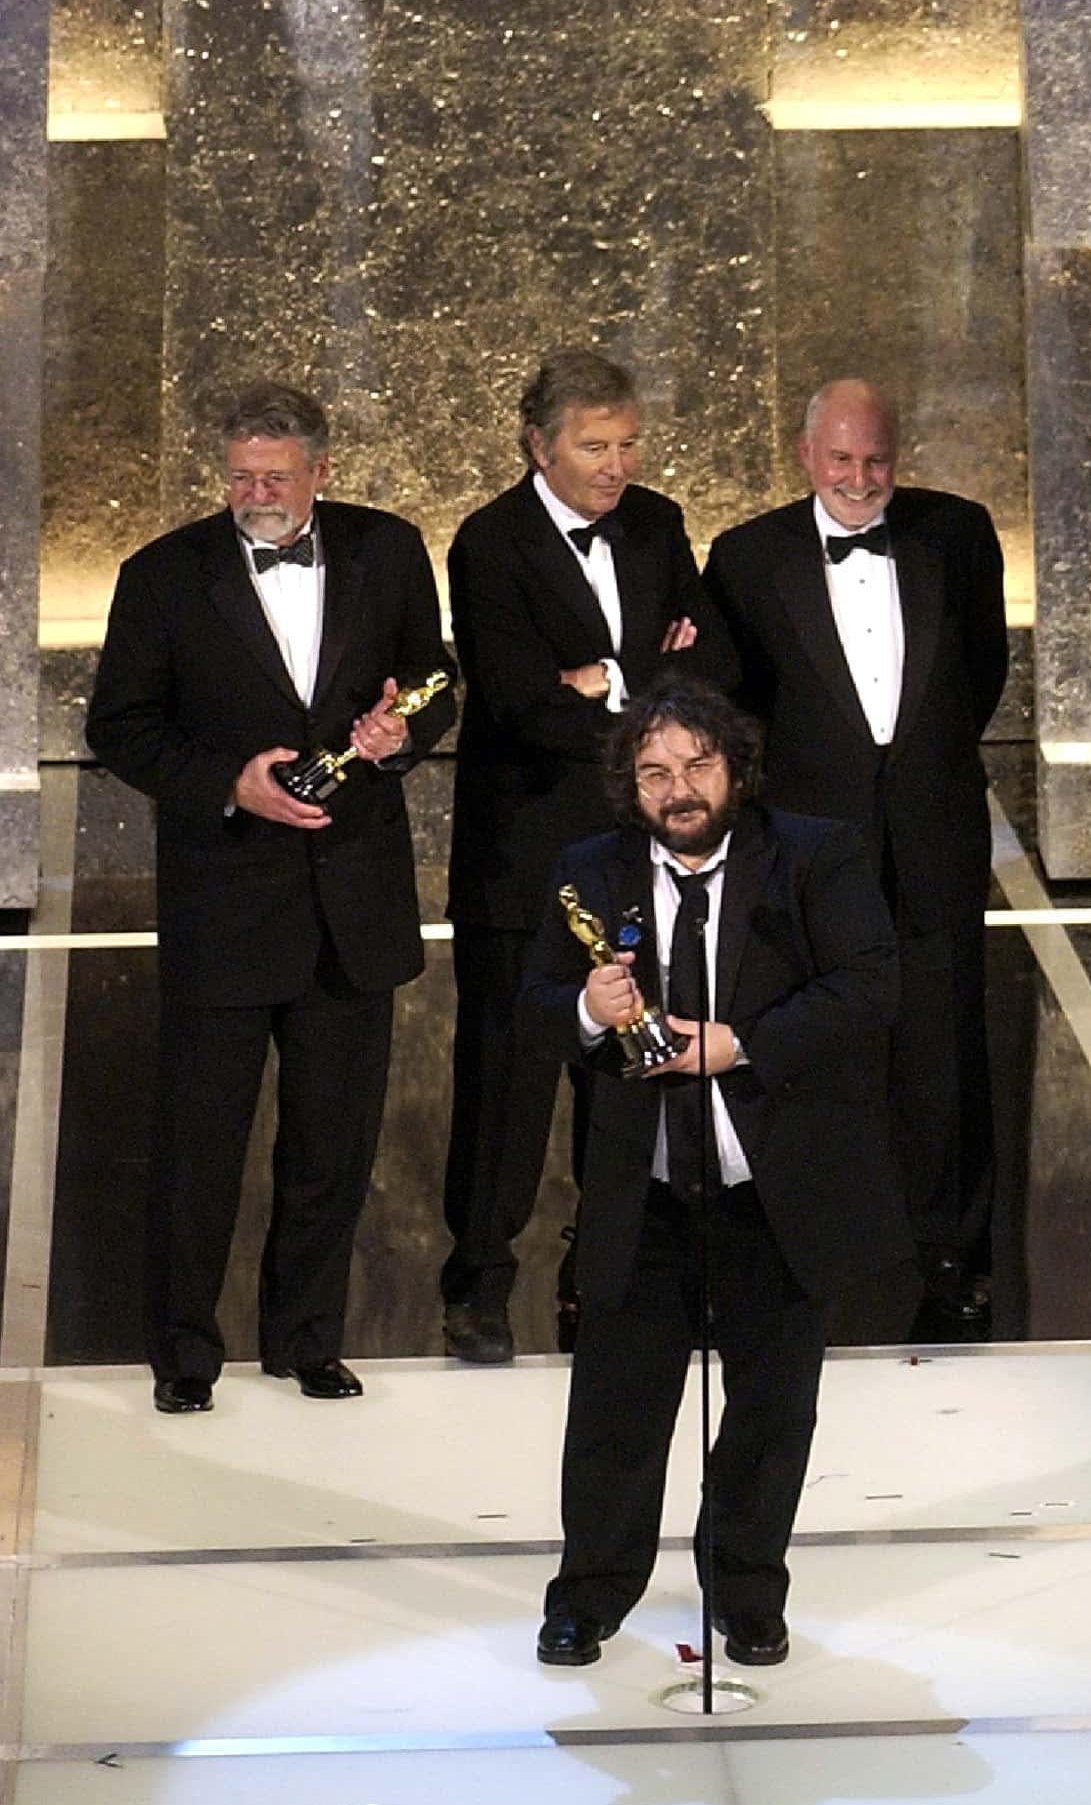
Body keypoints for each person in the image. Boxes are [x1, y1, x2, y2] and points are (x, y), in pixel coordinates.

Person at [85, 383, 458, 1413]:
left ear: (319, 473)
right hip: (227, 897)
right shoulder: (162, 577)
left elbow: (432, 681)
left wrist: (401, 734)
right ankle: (184, 1356)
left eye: (274, 476)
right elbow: (121, 727)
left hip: (355, 903)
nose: (255, 492)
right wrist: (228, 782)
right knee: (200, 1149)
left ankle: (307, 1341)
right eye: (241, 474)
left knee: (332, 1148)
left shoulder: (387, 551)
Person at [529, 684, 908, 1667]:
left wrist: (738, 1045)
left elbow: (870, 983)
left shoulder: (814, 853)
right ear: (631, 788)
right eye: (655, 773)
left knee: (773, 1411)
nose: (679, 789)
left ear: (736, 768)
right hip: (643, 1194)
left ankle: (746, 1590)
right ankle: (590, 1594)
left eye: (697, 766)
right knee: (616, 1409)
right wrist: (585, 1008)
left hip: (773, 1194)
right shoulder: (588, 870)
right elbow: (529, 1014)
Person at [442, 348, 727, 1365]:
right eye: (594, 447)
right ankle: (477, 1281)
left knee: (626, 1070)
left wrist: (603, 680)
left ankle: (601, 1274)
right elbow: (517, 702)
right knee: (507, 1080)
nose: (616, 465)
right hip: (521, 859)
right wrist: (641, 689)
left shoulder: (657, 523)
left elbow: (706, 664)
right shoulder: (489, 543)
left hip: (632, 855)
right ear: (539, 444)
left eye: (626, 444)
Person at [706, 380, 1011, 1329]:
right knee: (809, 1043)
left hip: (934, 830)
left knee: (942, 1045)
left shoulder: (957, 535)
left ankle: (947, 1248)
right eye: (840, 460)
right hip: (811, 847)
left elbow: (982, 673)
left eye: (875, 460)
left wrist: (916, 772)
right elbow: (738, 705)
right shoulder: (747, 557)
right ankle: (809, 1242)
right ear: (806, 456)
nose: (859, 478)